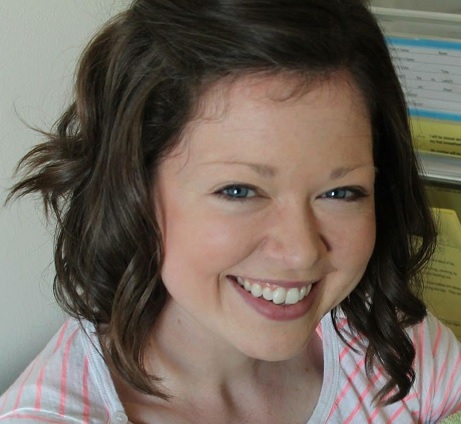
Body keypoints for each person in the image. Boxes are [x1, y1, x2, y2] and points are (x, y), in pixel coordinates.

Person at [1, 0, 460, 422]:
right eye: (240, 191)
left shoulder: (400, 347)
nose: (300, 252)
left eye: (341, 192)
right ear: (132, 189)